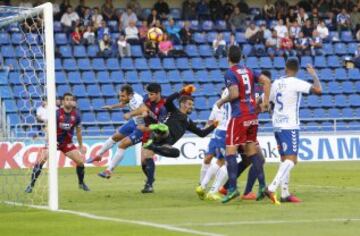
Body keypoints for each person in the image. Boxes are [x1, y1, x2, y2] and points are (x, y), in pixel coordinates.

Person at [260, 59, 322, 205]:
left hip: (277, 126)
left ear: (285, 68)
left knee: (285, 160)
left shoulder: (275, 83)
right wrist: (314, 76)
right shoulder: (296, 82)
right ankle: (272, 187)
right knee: (292, 160)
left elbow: (265, 100)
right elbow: (319, 90)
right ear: (297, 70)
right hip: (290, 125)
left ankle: (285, 194)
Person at [215, 45, 271, 203]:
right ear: (241, 57)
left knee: (230, 151)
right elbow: (266, 81)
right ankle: (261, 187)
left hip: (239, 116)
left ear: (228, 58)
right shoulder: (249, 70)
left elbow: (234, 94)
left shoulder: (230, 73)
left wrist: (221, 101)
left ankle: (232, 189)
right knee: (252, 152)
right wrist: (265, 102)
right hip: (253, 116)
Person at [25, 93, 90, 193]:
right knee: (41, 160)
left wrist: (81, 146)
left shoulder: (76, 115)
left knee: (80, 162)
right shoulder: (57, 113)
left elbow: (78, 132)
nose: (69, 101)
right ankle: (31, 185)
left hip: (67, 143)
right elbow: (48, 127)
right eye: (67, 99)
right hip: (53, 141)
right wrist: (51, 139)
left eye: (71, 99)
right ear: (63, 102)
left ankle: (81, 183)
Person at [143, 85, 218, 158]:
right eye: (189, 104)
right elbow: (168, 100)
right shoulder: (174, 110)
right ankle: (157, 128)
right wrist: (182, 91)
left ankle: (153, 147)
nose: (191, 107)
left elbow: (202, 134)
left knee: (177, 153)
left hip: (165, 144)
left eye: (192, 105)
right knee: (164, 129)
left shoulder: (188, 122)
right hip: (160, 135)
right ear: (182, 104)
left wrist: (214, 125)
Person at [88, 85, 144, 179]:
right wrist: (112, 106)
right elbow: (123, 103)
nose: (120, 98)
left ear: (130, 95)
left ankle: (108, 170)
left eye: (122, 96)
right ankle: (99, 155)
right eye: (120, 95)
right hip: (134, 122)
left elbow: (143, 110)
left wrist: (130, 114)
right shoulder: (130, 98)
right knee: (115, 137)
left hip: (143, 127)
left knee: (122, 145)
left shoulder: (137, 101)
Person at [122, 83, 167, 193]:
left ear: (158, 94)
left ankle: (149, 184)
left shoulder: (163, 108)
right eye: (148, 94)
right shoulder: (147, 99)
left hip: (156, 133)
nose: (149, 96)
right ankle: (150, 178)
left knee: (147, 156)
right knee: (143, 162)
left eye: (152, 94)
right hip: (146, 131)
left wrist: (145, 128)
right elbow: (142, 108)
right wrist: (132, 114)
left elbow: (161, 127)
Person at [197, 88, 231, 201]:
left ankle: (202, 186)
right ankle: (213, 190)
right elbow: (210, 121)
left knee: (219, 161)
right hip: (226, 132)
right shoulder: (232, 98)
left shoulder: (221, 102)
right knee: (229, 163)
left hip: (220, 132)